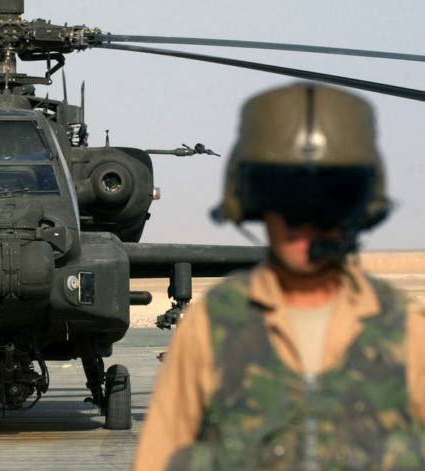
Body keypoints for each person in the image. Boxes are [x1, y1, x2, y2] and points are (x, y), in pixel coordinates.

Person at [133, 83, 425, 470]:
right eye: (284, 198)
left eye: (329, 199)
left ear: (359, 207)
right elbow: (160, 457)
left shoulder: (406, 332)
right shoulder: (211, 329)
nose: (305, 222)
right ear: (253, 202)